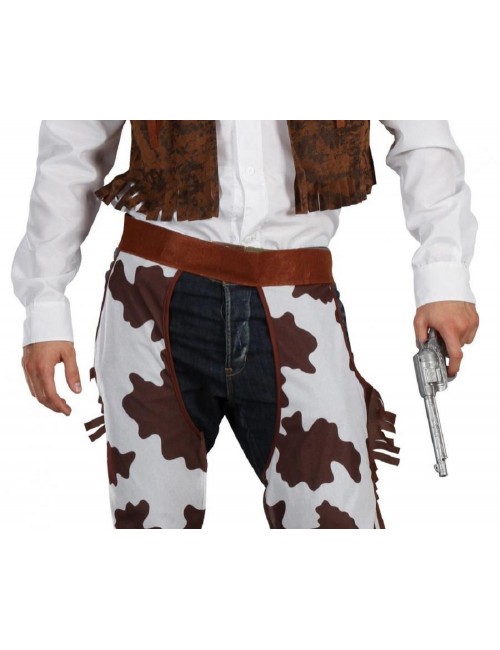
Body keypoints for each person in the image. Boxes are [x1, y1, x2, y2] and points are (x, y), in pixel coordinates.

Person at [11, 120, 480, 529]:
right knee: (149, 530)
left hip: (298, 294)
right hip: (153, 296)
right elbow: (75, 141)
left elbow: (422, 132)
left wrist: (444, 274)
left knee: (339, 522)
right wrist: (44, 301)